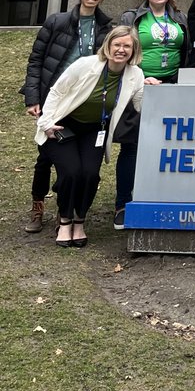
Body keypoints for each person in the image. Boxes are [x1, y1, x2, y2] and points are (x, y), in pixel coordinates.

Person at [35, 25, 144, 247]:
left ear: (134, 50)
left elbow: (141, 105)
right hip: (62, 127)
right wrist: (46, 123)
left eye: (127, 46)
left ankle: (79, 220)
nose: (121, 50)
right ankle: (64, 220)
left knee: (90, 175)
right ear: (108, 45)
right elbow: (57, 91)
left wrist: (152, 88)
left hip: (95, 129)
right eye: (117, 44)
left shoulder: (135, 75)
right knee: (71, 172)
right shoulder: (86, 65)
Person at [21, 0, 114, 234]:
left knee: (72, 163)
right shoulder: (57, 21)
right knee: (44, 157)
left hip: (84, 100)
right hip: (54, 98)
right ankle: (37, 207)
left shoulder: (105, 27)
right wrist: (33, 98)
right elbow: (36, 60)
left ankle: (66, 199)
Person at [114, 0, 191, 228]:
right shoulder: (132, 17)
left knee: (170, 144)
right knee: (133, 146)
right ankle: (123, 204)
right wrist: (142, 77)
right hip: (140, 85)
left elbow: (186, 49)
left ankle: (162, 196)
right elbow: (121, 49)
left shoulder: (180, 18)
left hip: (172, 86)